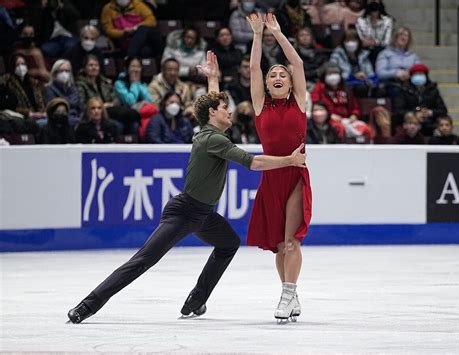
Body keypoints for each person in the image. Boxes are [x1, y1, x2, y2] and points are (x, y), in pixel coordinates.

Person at [67, 50, 307, 324]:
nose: (229, 111)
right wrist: (289, 160)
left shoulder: (213, 129)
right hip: (184, 212)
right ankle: (87, 305)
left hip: (204, 214)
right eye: (224, 109)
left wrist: (213, 79)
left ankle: (196, 299)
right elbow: (253, 163)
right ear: (214, 115)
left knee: (229, 243)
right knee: (144, 260)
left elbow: (212, 105)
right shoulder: (212, 139)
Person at [246, 12, 312, 321]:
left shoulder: (299, 100)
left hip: (296, 175)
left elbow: (297, 64)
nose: (277, 76)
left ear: (288, 82)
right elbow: (253, 68)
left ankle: (286, 297)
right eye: (273, 74)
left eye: (281, 74)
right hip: (272, 178)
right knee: (277, 246)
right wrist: (258, 36)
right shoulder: (260, 105)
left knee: (290, 241)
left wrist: (278, 33)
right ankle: (291, 294)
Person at [392, 63, 448, 136]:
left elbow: (442, 110)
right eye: (416, 74)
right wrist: (416, 112)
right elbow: (398, 110)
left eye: (421, 74)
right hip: (408, 121)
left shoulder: (432, 90)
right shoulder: (404, 89)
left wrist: (429, 112)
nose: (419, 76)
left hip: (429, 122)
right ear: (411, 76)